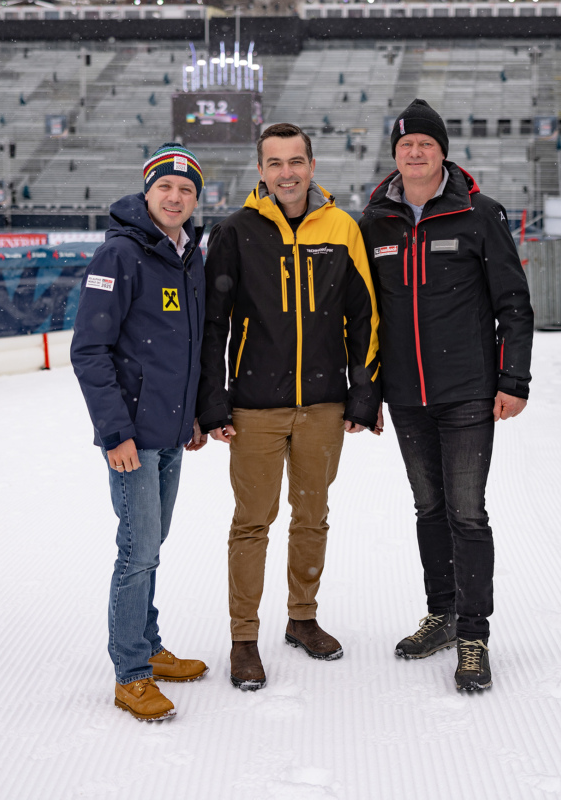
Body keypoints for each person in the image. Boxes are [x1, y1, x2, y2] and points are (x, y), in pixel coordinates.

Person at [197, 122, 380, 691]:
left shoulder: (342, 228)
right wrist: (214, 402)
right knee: (252, 523)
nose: (287, 173)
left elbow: (364, 316)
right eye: (274, 163)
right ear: (260, 171)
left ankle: (302, 618)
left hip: (323, 405)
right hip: (255, 407)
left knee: (312, 517)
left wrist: (363, 393)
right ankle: (244, 638)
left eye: (295, 161)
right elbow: (213, 325)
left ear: (312, 164)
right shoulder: (236, 232)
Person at [359, 99, 534, 692]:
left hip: (467, 393)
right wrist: (369, 393)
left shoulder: (480, 215)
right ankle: (441, 614)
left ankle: (474, 636)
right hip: (407, 396)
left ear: (442, 151)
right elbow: (365, 317)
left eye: (425, 144)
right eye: (405, 145)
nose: (415, 153)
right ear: (395, 154)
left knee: (467, 513)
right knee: (428, 510)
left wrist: (514, 379)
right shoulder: (374, 222)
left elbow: (514, 303)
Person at [71, 143, 210, 722]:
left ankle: (148, 648)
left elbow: (188, 349)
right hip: (133, 439)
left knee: (151, 549)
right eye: (165, 188)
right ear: (146, 191)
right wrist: (115, 435)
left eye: (187, 191)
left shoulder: (188, 256)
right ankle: (131, 672)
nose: (175, 198)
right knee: (137, 552)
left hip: (171, 433)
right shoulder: (119, 256)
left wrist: (192, 416)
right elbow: (90, 351)